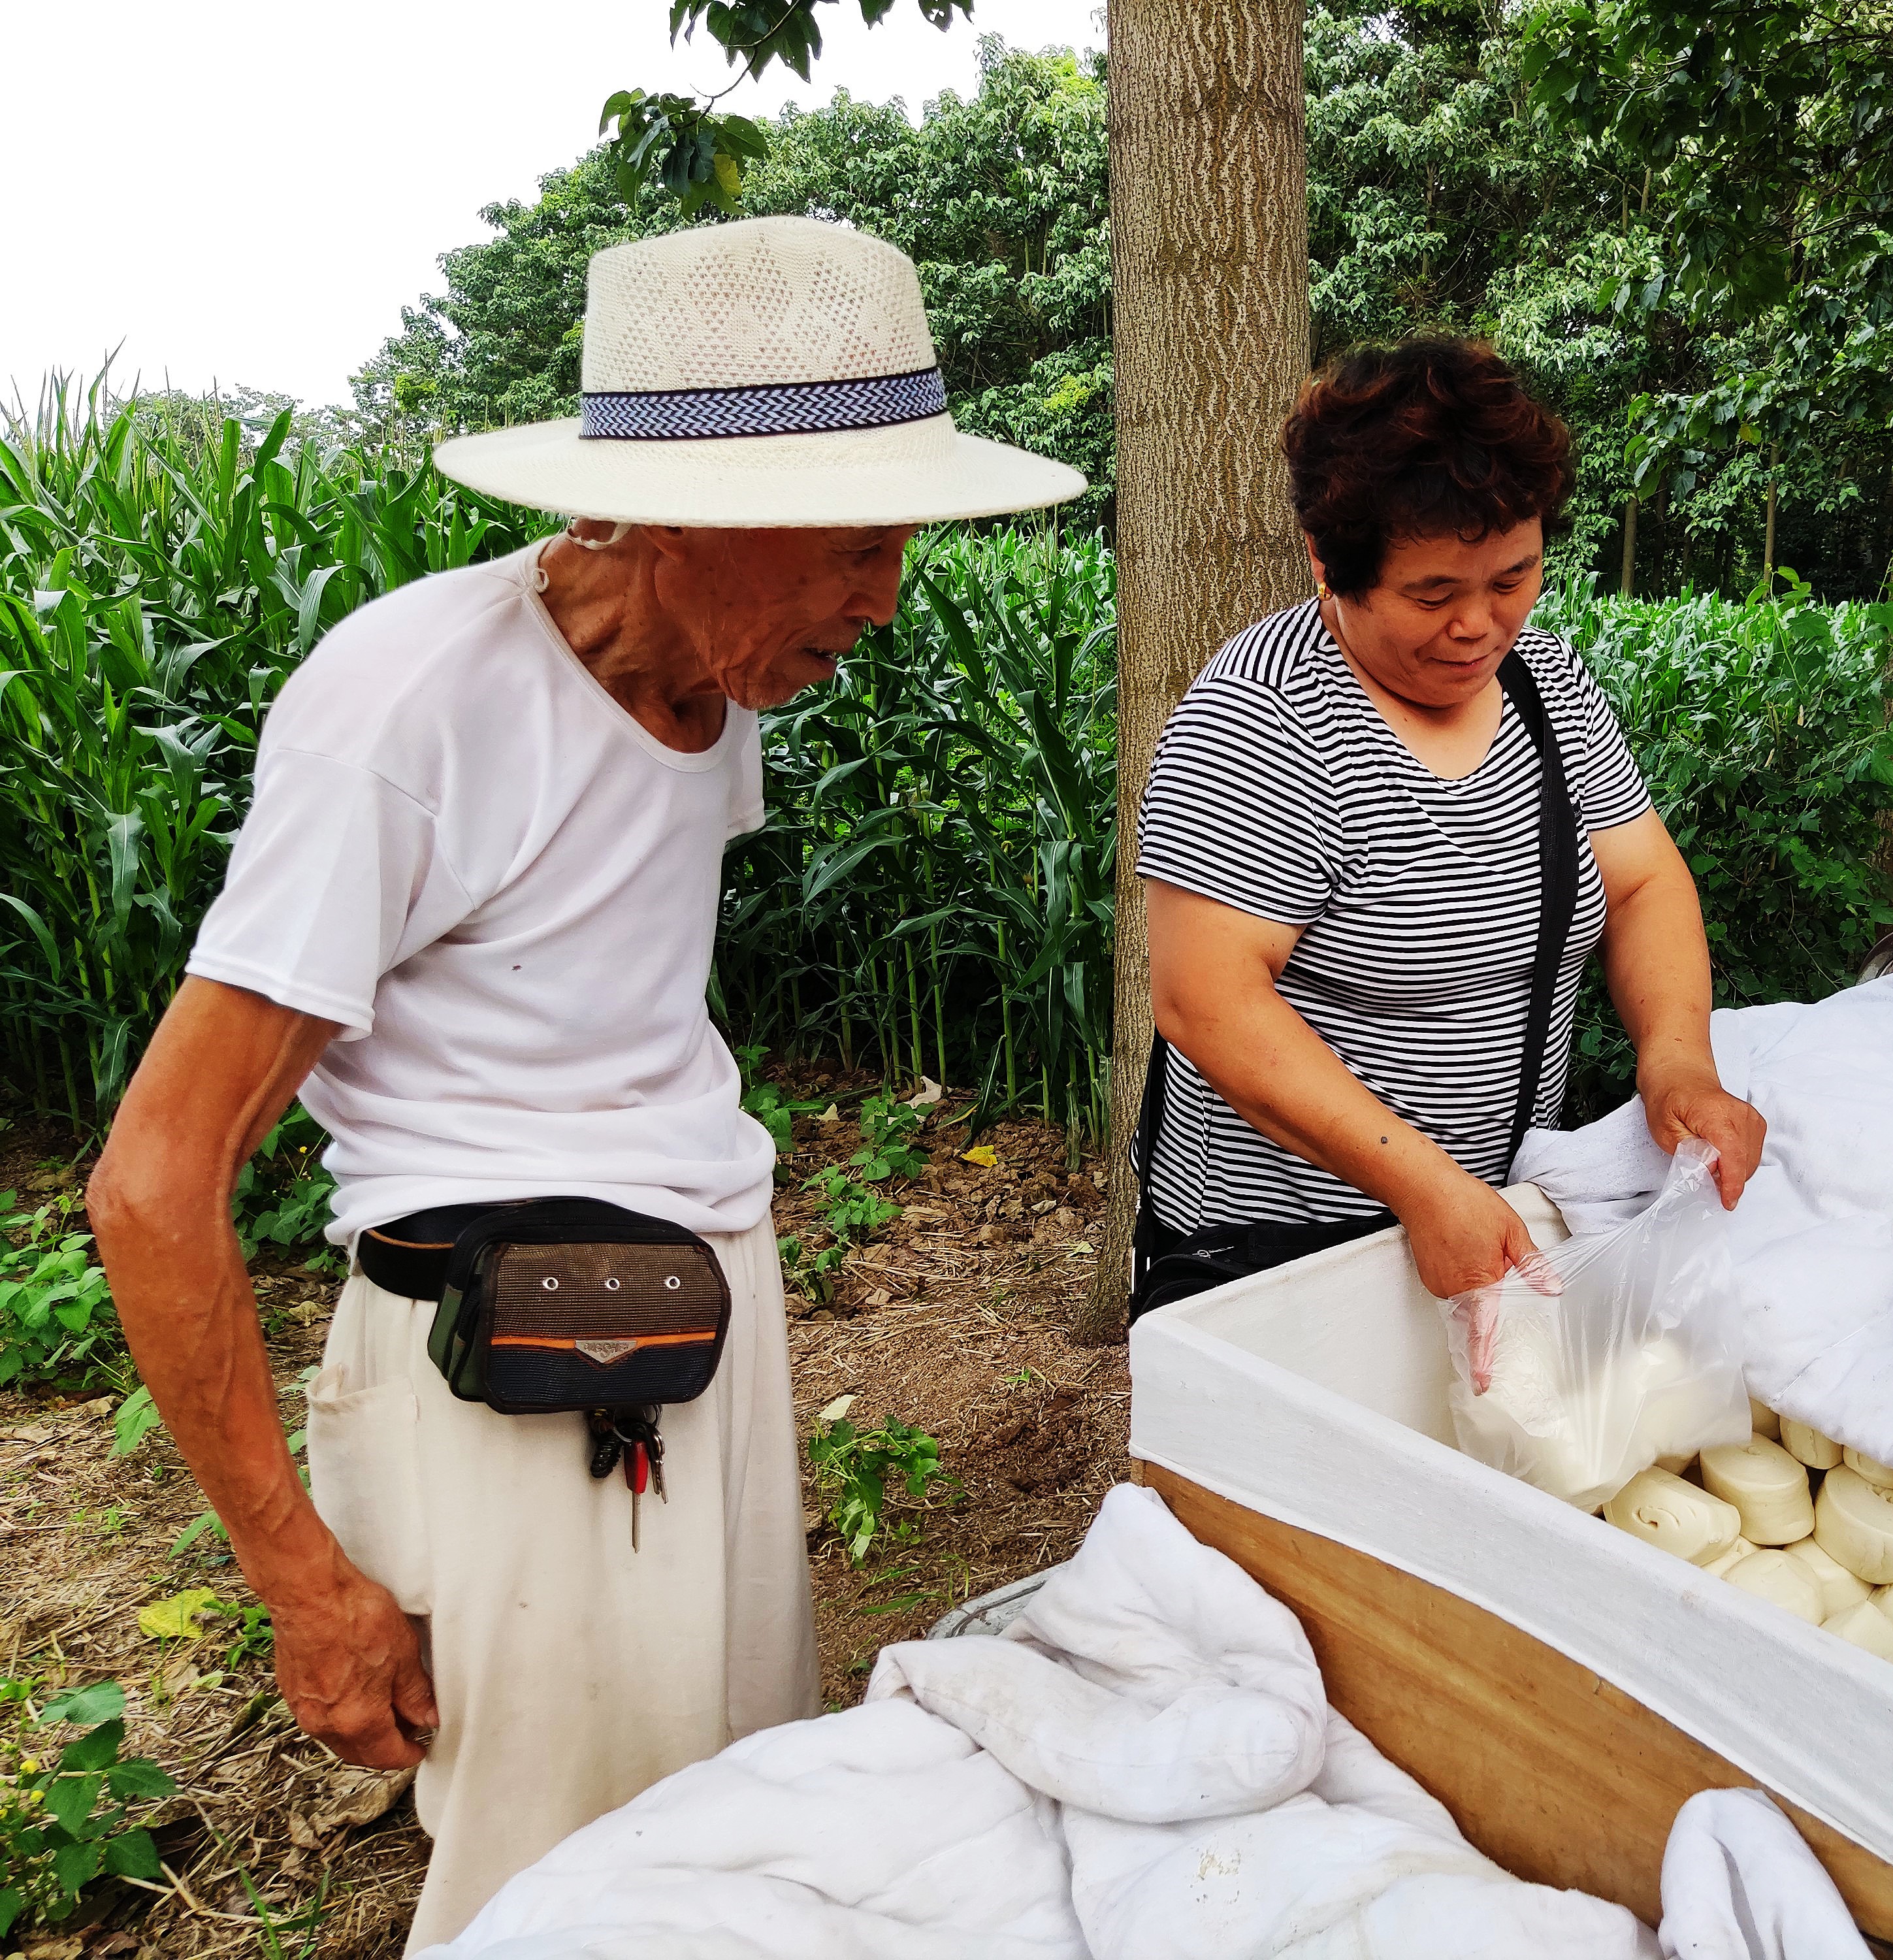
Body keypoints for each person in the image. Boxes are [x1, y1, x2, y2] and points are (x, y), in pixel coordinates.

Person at [86, 216, 1082, 1950]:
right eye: (852, 544)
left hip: (697, 1316)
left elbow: (598, 996)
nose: (884, 597)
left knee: (731, 1813)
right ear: (677, 517)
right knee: (549, 1884)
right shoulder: (409, 711)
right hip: (514, 1368)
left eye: (896, 541)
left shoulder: (723, 680)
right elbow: (154, 1181)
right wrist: (302, 1578)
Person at [1131, 337, 1765, 1315]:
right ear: (1330, 566)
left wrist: (1677, 1058)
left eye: (1512, 579)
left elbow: (1642, 883)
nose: (1480, 625)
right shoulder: (1264, 719)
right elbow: (1207, 1002)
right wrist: (1420, 1185)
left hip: (1490, 1209)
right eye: (1433, 593)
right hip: (1277, 1251)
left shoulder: (1546, 690)